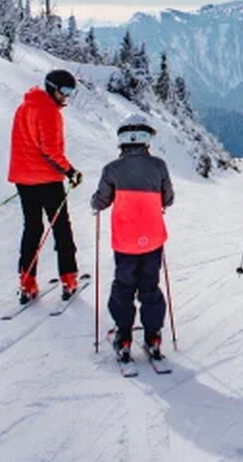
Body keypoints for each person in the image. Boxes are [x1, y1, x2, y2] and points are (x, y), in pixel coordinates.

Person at [91, 114, 174, 363]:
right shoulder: (158, 166)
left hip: (125, 242)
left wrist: (95, 203)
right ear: (147, 140)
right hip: (152, 240)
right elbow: (168, 199)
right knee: (149, 287)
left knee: (124, 287)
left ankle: (124, 337)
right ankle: (153, 337)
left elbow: (101, 201)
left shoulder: (112, 169)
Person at [7, 69, 84, 304]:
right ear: (52, 88)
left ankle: (27, 282)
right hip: (48, 180)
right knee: (61, 228)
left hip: (23, 179)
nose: (67, 97)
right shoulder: (49, 112)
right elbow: (50, 150)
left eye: (71, 91)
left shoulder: (24, 107)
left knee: (32, 228)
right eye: (65, 91)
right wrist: (70, 172)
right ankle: (68, 278)